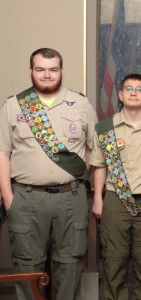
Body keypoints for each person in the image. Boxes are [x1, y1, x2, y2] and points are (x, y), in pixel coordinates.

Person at [0, 48, 98, 300]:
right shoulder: (13, 105)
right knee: (27, 263)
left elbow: (94, 148)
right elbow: (2, 152)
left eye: (53, 69)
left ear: (61, 71)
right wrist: (8, 196)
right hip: (26, 198)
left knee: (71, 261)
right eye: (40, 69)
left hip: (70, 198)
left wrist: (76, 177)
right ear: (30, 71)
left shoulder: (80, 103)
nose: (47, 75)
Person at [89, 73, 141, 300]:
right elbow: (99, 166)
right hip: (116, 201)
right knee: (114, 261)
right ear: (120, 95)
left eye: (139, 89)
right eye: (128, 88)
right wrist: (98, 199)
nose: (133, 92)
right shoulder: (106, 127)